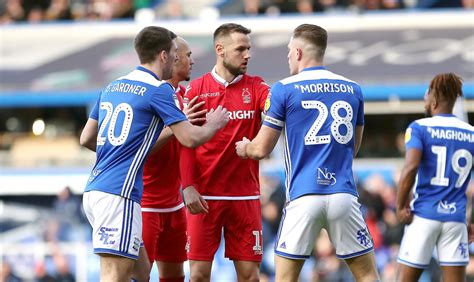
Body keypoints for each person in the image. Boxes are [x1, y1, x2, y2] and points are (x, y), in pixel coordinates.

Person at [79, 26, 229, 282]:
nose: (178, 59)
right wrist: (215, 123)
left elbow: (86, 138)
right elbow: (190, 138)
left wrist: (125, 151)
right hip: (120, 195)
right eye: (174, 53)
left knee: (141, 272)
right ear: (163, 55)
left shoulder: (113, 86)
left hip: (95, 189)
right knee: (114, 274)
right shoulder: (158, 90)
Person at [235, 23, 380, 282]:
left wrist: (244, 147)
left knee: (285, 278)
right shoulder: (352, 88)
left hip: (303, 196)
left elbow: (261, 148)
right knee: (368, 274)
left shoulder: (284, 88)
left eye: (290, 51)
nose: (288, 56)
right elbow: (353, 148)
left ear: (299, 52)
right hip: (343, 195)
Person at [180, 23, 270, 281]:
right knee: (197, 275)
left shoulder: (256, 86)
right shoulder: (196, 89)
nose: (247, 55)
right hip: (205, 196)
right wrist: (188, 186)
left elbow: (274, 104)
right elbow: (186, 141)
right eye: (240, 49)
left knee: (250, 276)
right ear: (220, 49)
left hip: (244, 197)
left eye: (249, 49)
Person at [396, 73, 474, 282]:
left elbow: (410, 168)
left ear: (435, 100)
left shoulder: (419, 128)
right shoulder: (471, 133)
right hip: (455, 219)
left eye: (426, 95)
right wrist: (471, 220)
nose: (424, 99)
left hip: (424, 215)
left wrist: (400, 205)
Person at [140, 36, 203, 282]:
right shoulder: (150, 96)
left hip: (174, 205)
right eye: (187, 55)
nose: (192, 61)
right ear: (173, 58)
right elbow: (139, 148)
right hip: (146, 204)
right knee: (139, 275)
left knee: (175, 275)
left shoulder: (188, 96)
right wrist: (179, 123)